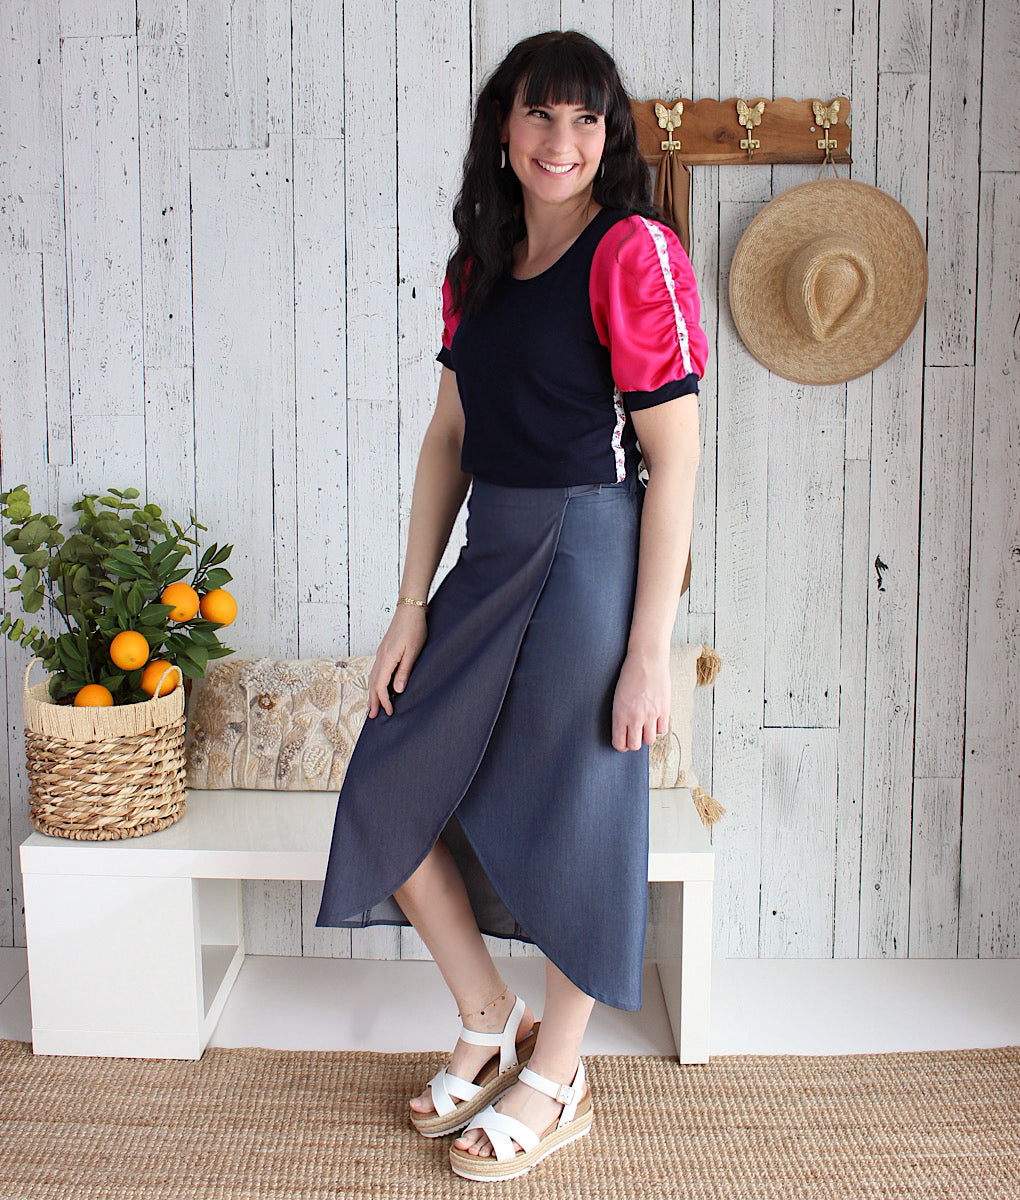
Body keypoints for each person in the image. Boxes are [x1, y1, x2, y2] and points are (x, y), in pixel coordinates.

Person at [316, 29, 708, 1182]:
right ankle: (490, 1019)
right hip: (491, 550)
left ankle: (561, 1072)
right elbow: (449, 437)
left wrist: (649, 651)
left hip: (591, 552)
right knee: (388, 779)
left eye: (587, 120)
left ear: (610, 136)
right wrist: (410, 605)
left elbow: (677, 459)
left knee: (581, 809)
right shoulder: (479, 264)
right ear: (504, 124)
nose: (562, 141)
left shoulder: (633, 252)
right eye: (541, 114)